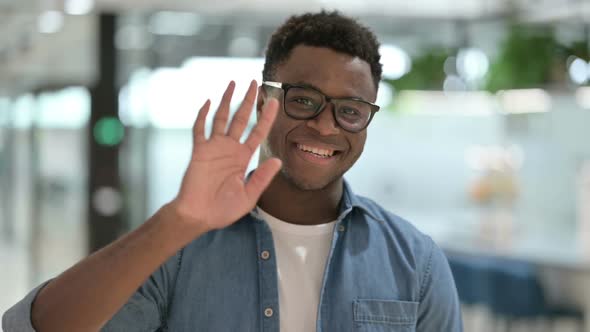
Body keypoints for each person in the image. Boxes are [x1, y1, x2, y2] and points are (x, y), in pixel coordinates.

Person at [3, 11, 462, 332]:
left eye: (351, 110)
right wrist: (177, 223)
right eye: (303, 100)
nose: (325, 125)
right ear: (266, 100)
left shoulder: (416, 263)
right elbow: (32, 328)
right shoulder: (182, 249)